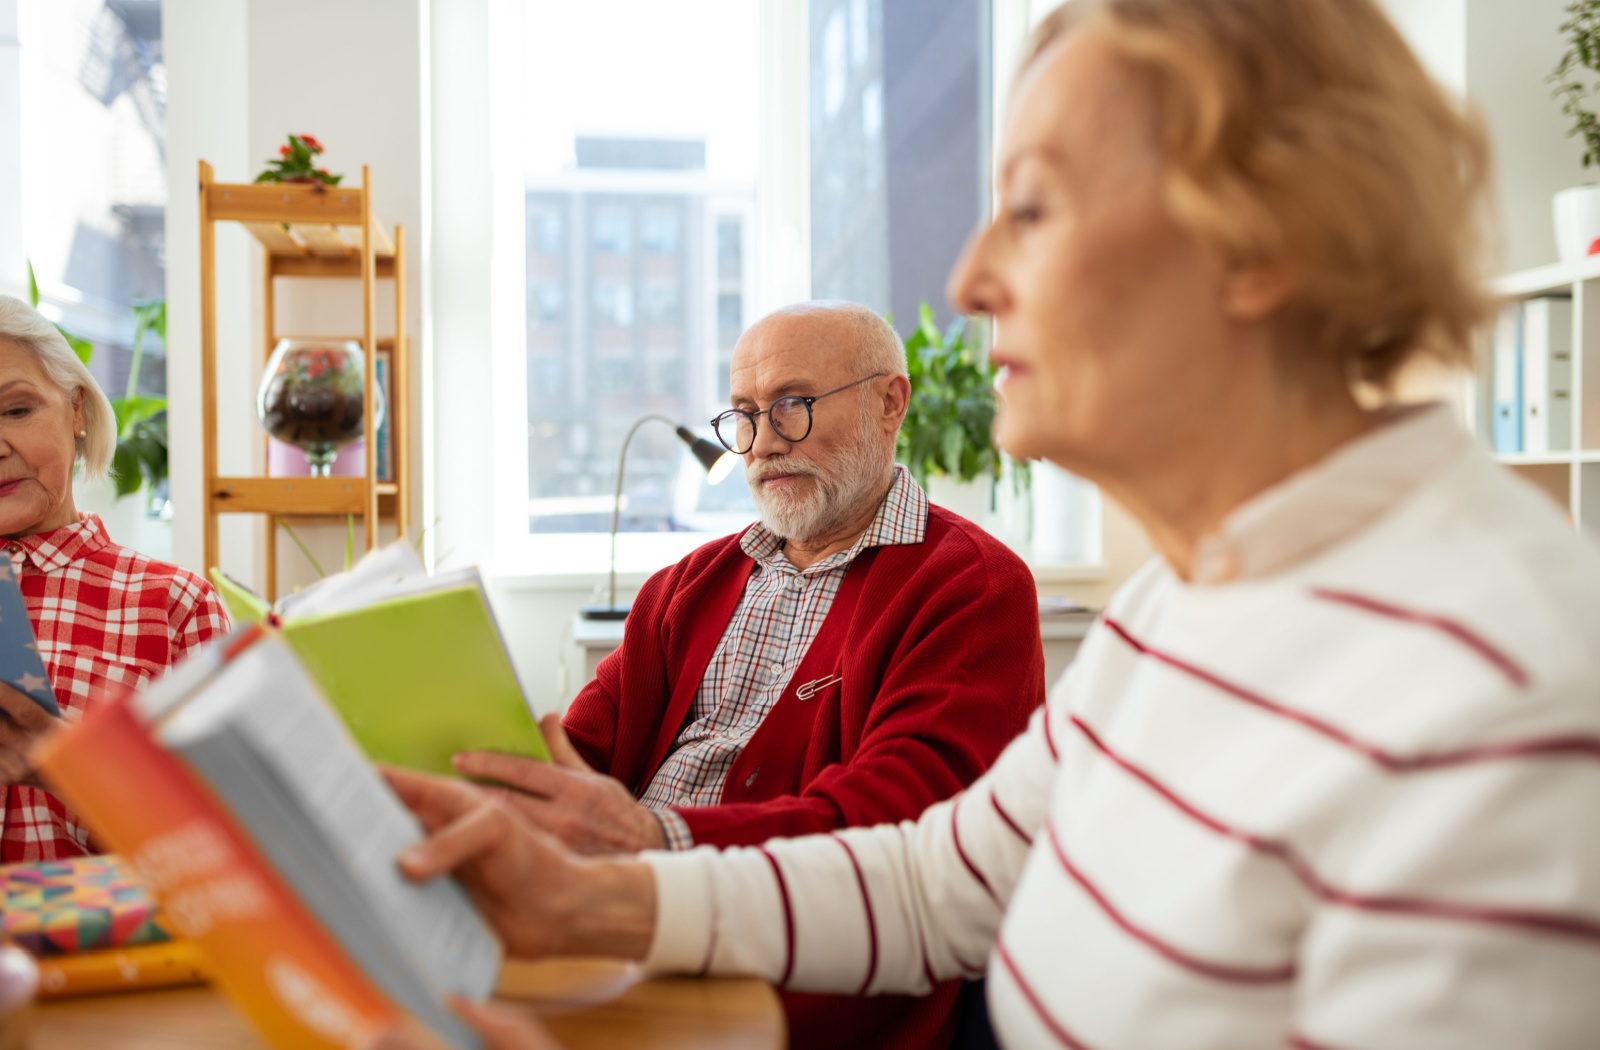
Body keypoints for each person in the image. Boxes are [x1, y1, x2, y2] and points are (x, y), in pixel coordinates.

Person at [386, 0, 1600, 1046]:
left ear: (1262, 240)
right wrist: (587, 906)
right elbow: (935, 881)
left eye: (1030, 208)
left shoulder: (1503, 697)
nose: (966, 279)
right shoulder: (1186, 602)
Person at [456, 299, 1046, 1048]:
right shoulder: (684, 586)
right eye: (744, 414)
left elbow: (900, 823)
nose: (763, 443)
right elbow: (580, 758)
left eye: (792, 406)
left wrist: (654, 839)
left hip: (790, 984)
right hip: (620, 935)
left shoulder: (972, 587)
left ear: (889, 402)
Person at [0, 296, 229, 861]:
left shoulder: (175, 607)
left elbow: (231, 838)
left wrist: (74, 768)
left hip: (101, 943)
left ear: (76, 410)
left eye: (16, 410)